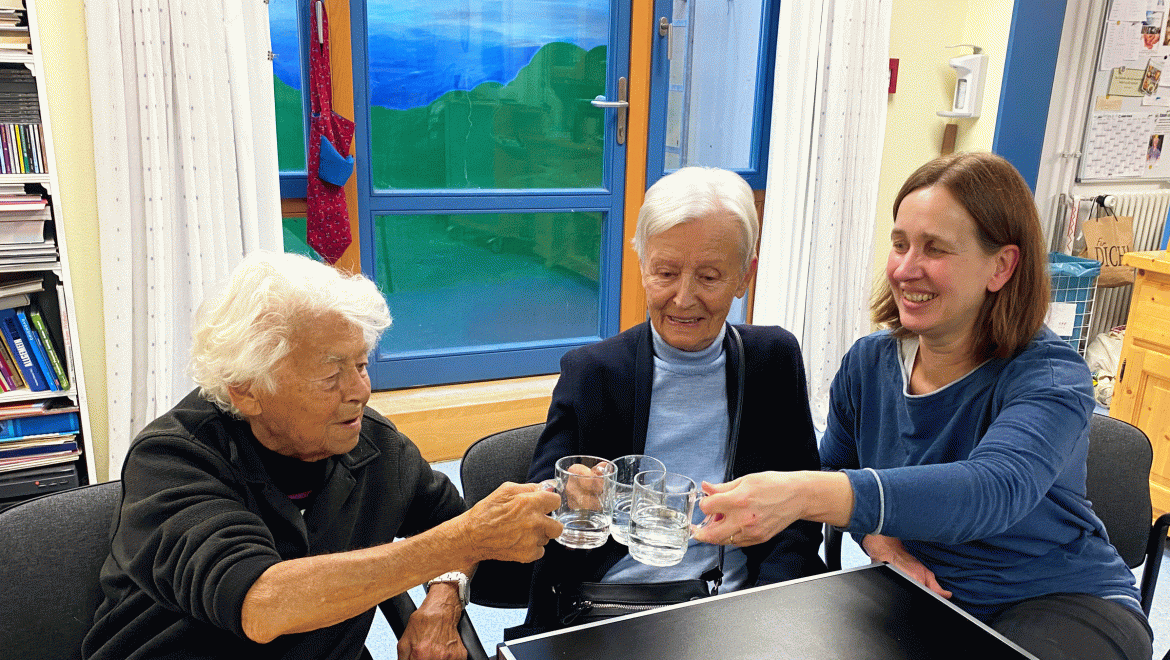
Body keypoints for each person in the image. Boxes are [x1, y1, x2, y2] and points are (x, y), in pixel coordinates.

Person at [693, 152, 1153, 660]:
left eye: (934, 249)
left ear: (1001, 266)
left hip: (1059, 598)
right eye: (899, 244)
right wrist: (881, 542)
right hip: (926, 592)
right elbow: (841, 467)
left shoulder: (1050, 376)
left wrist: (804, 492)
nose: (906, 269)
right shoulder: (869, 363)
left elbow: (993, 489)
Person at [83, 251, 563, 660]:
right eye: (331, 374)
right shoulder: (173, 458)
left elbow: (456, 537)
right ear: (246, 388)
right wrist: (465, 537)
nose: (359, 391)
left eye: (360, 364)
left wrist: (445, 596)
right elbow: (264, 601)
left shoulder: (377, 449)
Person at [509, 166, 825, 638]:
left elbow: (801, 514)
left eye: (710, 276)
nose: (683, 298)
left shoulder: (772, 361)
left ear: (744, 276)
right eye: (666, 273)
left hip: (739, 607)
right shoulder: (594, 371)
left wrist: (767, 608)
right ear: (642, 268)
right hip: (612, 611)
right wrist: (567, 491)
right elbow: (541, 497)